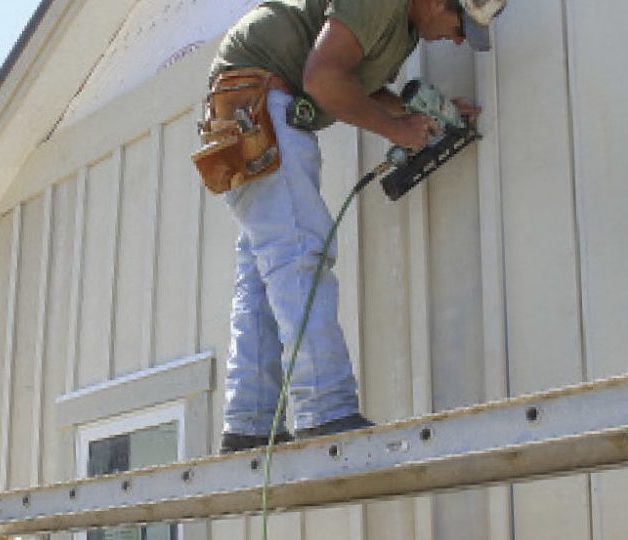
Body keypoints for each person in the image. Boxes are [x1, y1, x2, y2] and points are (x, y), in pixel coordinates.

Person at [210, 0, 505, 454]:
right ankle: (324, 408)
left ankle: (248, 423)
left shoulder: (400, 29)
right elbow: (322, 79)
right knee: (299, 254)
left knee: (266, 276)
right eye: (458, 23)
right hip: (260, 102)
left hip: (250, 103)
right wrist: (395, 131)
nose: (458, 38)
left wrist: (422, 116)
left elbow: (353, 83)